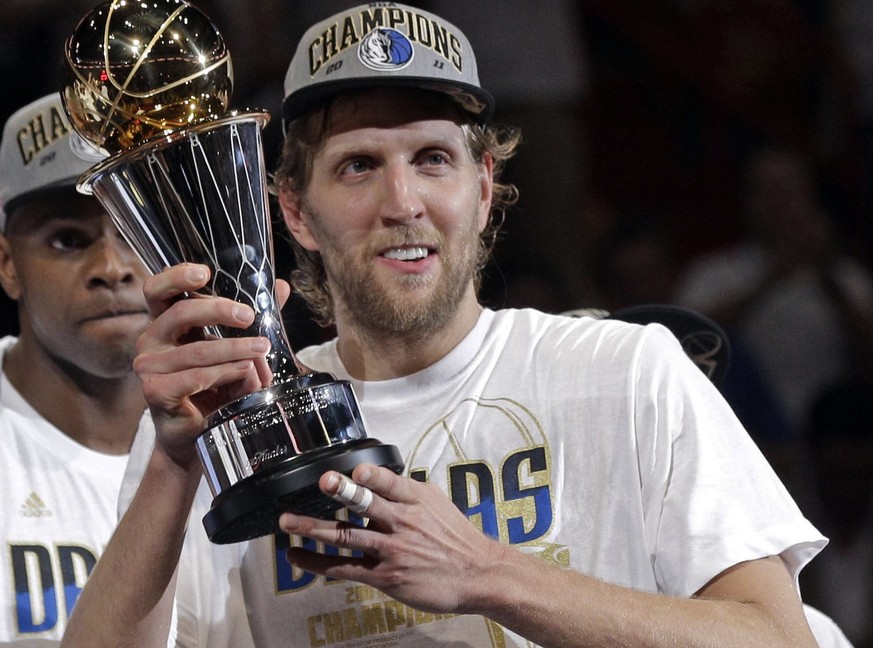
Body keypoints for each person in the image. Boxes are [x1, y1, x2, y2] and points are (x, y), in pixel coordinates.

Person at [62, 5, 829, 647]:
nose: (402, 202)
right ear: (293, 209)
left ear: (484, 187)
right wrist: (171, 466)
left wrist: (487, 575)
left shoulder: (626, 370)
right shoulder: (225, 427)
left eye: (432, 158)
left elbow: (777, 637)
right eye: (358, 165)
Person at [0, 93, 151, 643]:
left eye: (137, 230)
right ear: (7, 265)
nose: (112, 267)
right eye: (68, 239)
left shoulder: (245, 434)